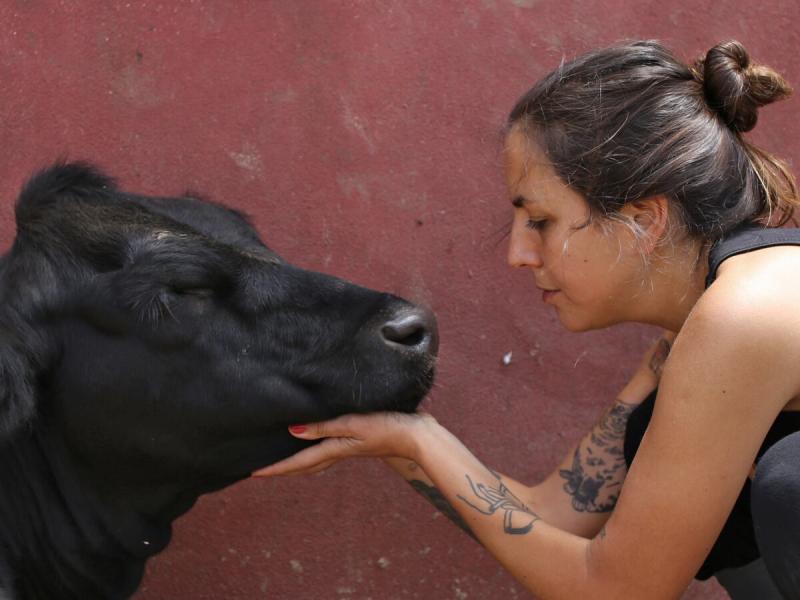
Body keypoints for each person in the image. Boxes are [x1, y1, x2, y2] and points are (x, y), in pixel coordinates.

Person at [253, 40, 800, 599]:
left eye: (540, 220)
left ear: (643, 218)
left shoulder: (743, 316)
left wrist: (421, 443)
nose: (518, 254)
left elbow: (617, 591)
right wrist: (403, 440)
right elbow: (554, 515)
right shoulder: (696, 329)